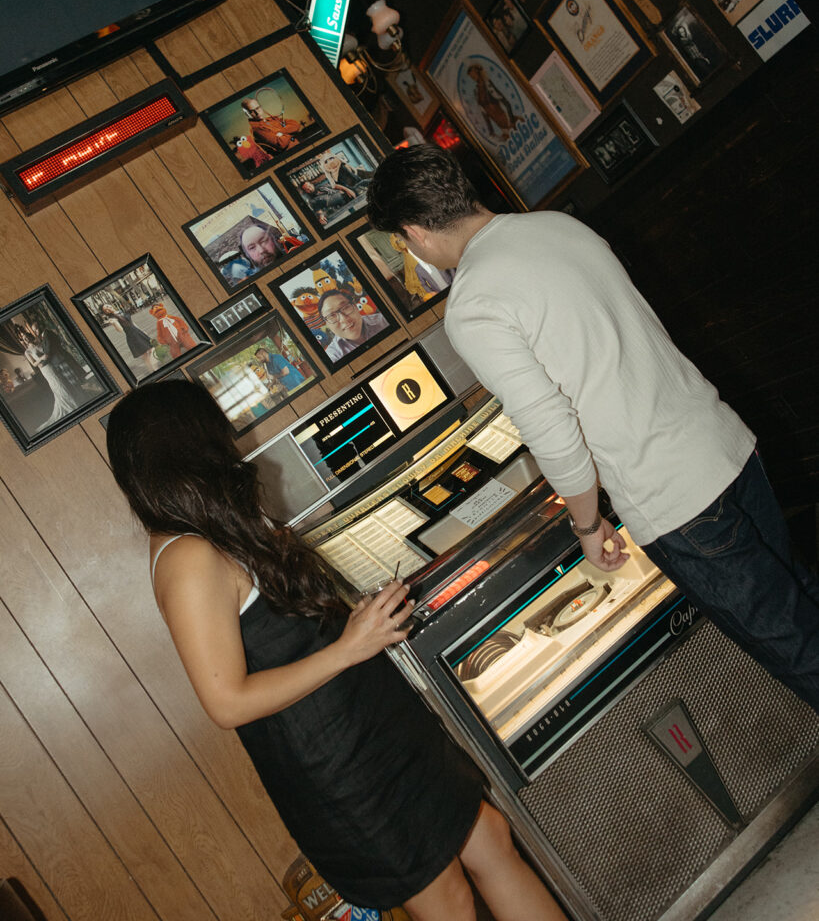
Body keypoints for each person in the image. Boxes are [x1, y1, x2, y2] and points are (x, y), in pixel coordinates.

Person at [367, 144, 819, 712]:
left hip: (673, 497)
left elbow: (551, 427)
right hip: (724, 442)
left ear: (414, 233)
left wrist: (586, 523)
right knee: (802, 594)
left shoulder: (474, 302)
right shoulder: (558, 226)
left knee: (796, 644)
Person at [105, 380, 567, 920]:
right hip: (339, 765)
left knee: (490, 837)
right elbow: (226, 702)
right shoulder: (186, 557)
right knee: (447, 899)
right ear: (188, 443)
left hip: (372, 725)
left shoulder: (212, 528)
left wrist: (356, 623)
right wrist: (350, 647)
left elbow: (282, 633)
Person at [317, 289, 389, 363]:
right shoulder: (333, 356)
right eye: (332, 315)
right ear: (327, 324)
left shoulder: (385, 320)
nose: (344, 319)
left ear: (355, 306)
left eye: (345, 308)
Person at [100, 304, 158, 373]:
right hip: (132, 336)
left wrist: (141, 330)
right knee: (146, 354)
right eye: (106, 310)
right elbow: (120, 330)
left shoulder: (120, 312)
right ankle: (154, 370)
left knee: (150, 350)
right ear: (106, 313)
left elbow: (132, 322)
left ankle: (153, 369)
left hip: (137, 332)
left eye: (107, 306)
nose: (108, 308)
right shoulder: (113, 318)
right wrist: (114, 323)